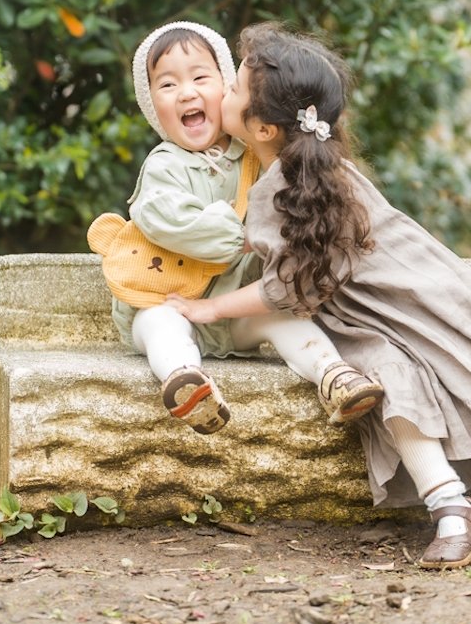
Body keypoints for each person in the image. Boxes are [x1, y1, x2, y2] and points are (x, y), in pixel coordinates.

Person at [165, 22, 471, 567]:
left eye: (233, 88)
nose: (222, 93)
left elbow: (289, 287)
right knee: (394, 387)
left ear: (264, 128)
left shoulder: (293, 185)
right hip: (376, 322)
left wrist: (209, 308)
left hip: (419, 308)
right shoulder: (303, 173)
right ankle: (451, 506)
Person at [88, 21, 382, 435]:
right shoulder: (163, 166)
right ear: (151, 104)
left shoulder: (255, 156)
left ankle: (333, 374)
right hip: (170, 300)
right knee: (158, 327)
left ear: (227, 88)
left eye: (200, 78)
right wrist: (242, 235)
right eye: (167, 84)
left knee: (284, 317)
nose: (186, 93)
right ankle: (186, 382)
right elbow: (169, 220)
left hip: (235, 310)